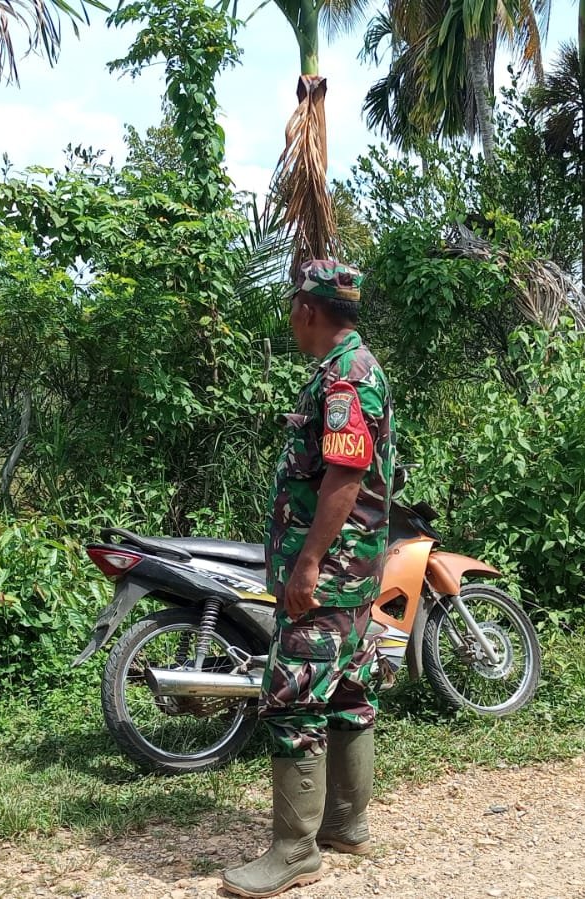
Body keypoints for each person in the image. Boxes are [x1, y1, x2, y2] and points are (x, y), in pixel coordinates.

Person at [223, 260, 394, 898]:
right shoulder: (349, 368)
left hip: (330, 573)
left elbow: (345, 476)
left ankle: (294, 850)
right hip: (354, 571)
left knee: (294, 695)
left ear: (309, 309)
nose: (292, 316)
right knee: (347, 687)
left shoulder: (345, 378)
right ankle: (345, 824)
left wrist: (309, 562)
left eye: (294, 305)